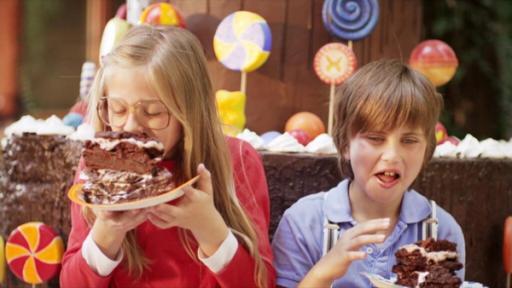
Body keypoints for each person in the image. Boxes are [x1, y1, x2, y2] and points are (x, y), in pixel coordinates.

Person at [60, 25, 275, 288]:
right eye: (117, 109)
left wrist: (209, 227)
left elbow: (260, 282)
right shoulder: (99, 168)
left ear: (190, 111)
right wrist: (106, 232)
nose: (130, 127)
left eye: (152, 112)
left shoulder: (238, 160)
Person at [271, 59, 465, 287]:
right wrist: (323, 272)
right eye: (375, 139)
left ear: (427, 150)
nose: (392, 155)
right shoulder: (304, 223)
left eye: (409, 140)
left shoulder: (441, 229)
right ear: (345, 145)